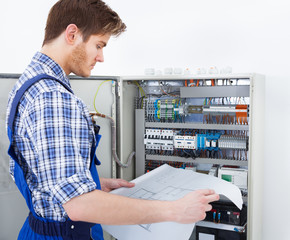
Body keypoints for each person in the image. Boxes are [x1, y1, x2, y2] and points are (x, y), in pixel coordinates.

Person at [6, 0, 219, 239]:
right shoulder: (54, 98)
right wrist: (174, 209)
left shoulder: (29, 84)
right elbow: (79, 205)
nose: (101, 57)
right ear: (72, 34)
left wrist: (94, 182)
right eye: (99, 45)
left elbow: (36, 171)